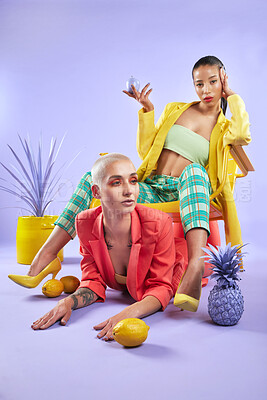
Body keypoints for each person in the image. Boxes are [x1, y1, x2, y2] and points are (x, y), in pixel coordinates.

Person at [9, 55, 251, 313]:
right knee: (93, 177)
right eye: (199, 84)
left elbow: (242, 135)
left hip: (188, 190)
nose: (205, 90)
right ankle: (45, 256)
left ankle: (194, 266)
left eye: (213, 82)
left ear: (223, 80)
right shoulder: (175, 110)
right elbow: (146, 150)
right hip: (153, 187)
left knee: (194, 171)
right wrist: (148, 110)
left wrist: (233, 96)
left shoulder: (225, 125)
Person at [31, 153, 184, 338]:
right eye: (116, 183)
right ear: (96, 192)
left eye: (133, 181)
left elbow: (161, 287)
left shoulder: (160, 222)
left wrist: (127, 313)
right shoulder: (85, 222)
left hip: (184, 262)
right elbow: (93, 281)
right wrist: (66, 303)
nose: (129, 191)